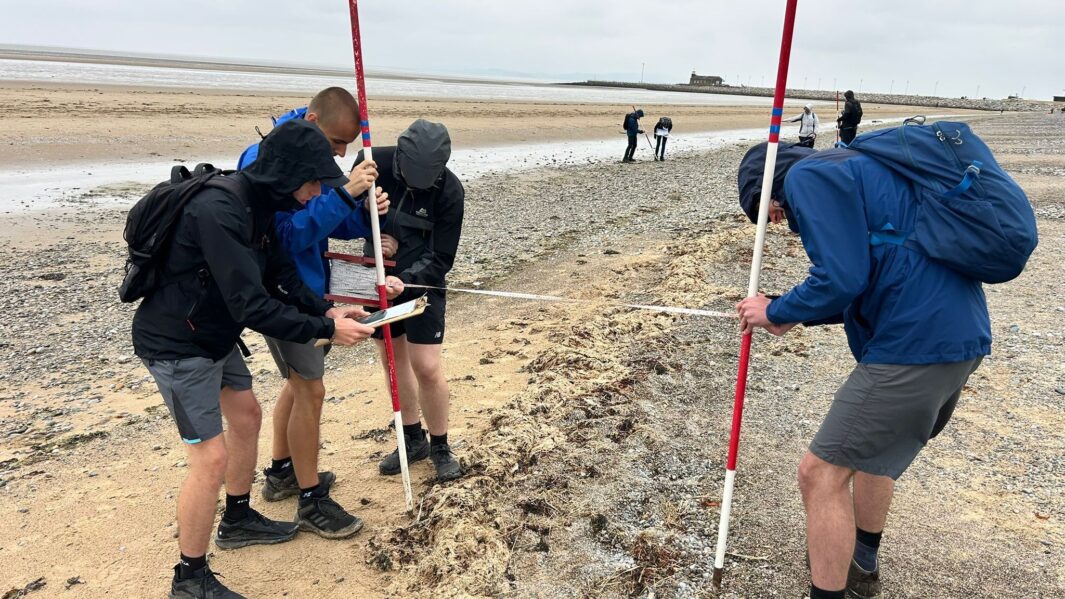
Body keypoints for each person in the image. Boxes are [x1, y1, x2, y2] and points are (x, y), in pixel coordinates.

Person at [133, 119, 378, 599]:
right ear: (286, 174)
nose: (314, 194)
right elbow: (252, 304)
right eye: (312, 184)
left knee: (247, 416)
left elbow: (281, 274)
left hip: (213, 334)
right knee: (209, 457)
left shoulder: (263, 204)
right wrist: (327, 329)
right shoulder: (219, 208)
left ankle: (239, 517)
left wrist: (326, 308)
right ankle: (190, 579)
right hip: (176, 346)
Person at [735, 141, 990, 599]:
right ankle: (861, 564)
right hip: (961, 334)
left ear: (770, 184)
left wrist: (774, 311)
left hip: (914, 342)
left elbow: (842, 278)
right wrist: (791, 311)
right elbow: (877, 270)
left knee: (820, 473)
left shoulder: (805, 178)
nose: (774, 221)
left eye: (764, 209)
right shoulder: (862, 172)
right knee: (875, 454)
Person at [236, 87, 403, 540]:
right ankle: (311, 500)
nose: (340, 154)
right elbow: (285, 236)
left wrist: (365, 208)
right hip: (286, 294)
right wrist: (346, 193)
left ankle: (281, 473)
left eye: (346, 148)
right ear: (311, 120)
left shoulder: (313, 154)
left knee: (297, 385)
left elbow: (327, 216)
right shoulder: (265, 158)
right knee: (310, 390)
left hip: (312, 289)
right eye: (335, 145)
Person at [353, 119, 465, 482]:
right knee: (391, 356)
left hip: (421, 284)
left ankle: (440, 445)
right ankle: (411, 436)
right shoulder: (372, 163)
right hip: (378, 277)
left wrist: (409, 278)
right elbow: (345, 212)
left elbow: (442, 258)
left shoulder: (450, 192)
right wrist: (375, 229)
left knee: (427, 366)